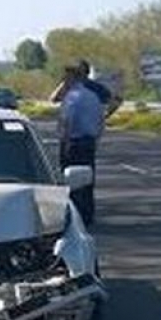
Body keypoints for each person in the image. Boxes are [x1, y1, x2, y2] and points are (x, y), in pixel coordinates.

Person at [57, 65, 105, 226]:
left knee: (71, 180)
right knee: (88, 180)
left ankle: (73, 215)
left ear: (73, 78)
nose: (63, 82)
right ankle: (87, 214)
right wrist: (96, 140)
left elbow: (67, 122)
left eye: (65, 79)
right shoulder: (93, 96)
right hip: (89, 142)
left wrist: (64, 142)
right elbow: (100, 121)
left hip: (74, 143)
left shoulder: (72, 97)